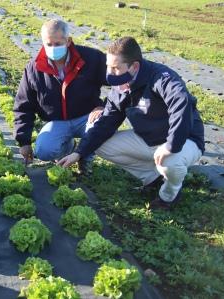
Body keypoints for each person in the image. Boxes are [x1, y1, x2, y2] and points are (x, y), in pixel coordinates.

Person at [58, 36, 204, 209]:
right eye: (108, 67)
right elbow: (106, 123)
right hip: (148, 138)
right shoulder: (120, 86)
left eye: (115, 68)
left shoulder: (160, 77)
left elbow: (181, 103)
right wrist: (79, 152)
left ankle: (168, 195)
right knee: (100, 144)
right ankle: (153, 177)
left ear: (134, 66)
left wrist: (170, 146)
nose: (110, 73)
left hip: (184, 139)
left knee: (170, 162)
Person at [13, 19, 107, 172]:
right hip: (58, 121)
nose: (53, 48)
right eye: (48, 44)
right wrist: (24, 142)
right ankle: (68, 150)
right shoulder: (34, 68)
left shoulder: (91, 58)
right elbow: (23, 106)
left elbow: (120, 82)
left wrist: (104, 106)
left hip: (87, 117)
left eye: (57, 44)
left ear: (68, 41)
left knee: (103, 125)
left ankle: (85, 158)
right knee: (43, 150)